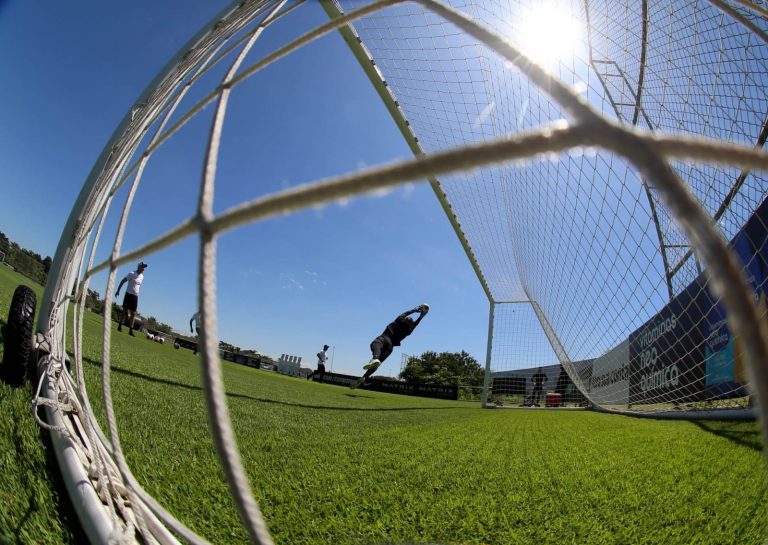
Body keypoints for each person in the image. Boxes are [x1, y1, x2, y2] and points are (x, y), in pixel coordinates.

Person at [350, 304, 429, 389]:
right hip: (390, 348)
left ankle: (374, 358)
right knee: (377, 364)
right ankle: (365, 378)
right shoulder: (408, 331)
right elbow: (415, 324)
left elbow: (404, 314)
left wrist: (414, 310)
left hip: (383, 339)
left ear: (404, 320)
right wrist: (421, 316)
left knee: (376, 344)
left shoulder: (397, 322)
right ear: (410, 325)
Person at [115, 261, 147, 337]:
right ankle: (120, 326)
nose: (144, 268)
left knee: (133, 314)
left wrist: (138, 293)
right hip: (128, 294)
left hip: (135, 296)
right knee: (124, 311)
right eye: (142, 266)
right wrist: (118, 290)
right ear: (139, 267)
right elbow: (123, 281)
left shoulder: (142, 277)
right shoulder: (132, 273)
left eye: (144, 267)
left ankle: (131, 330)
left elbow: (139, 286)